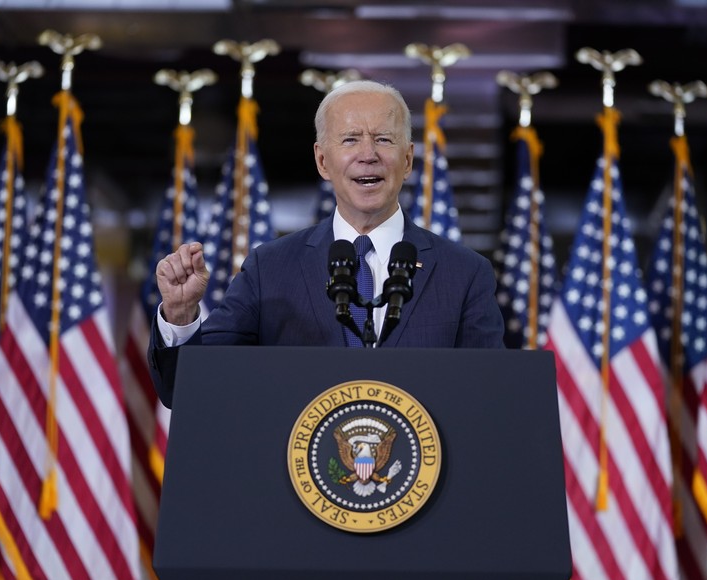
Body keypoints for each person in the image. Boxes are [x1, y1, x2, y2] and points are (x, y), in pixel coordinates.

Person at [149, 80, 504, 407]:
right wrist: (180, 316)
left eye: (383, 139)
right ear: (323, 160)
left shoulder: (465, 273)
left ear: (408, 159)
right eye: (350, 139)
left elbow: (491, 397)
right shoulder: (270, 269)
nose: (368, 154)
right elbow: (188, 390)